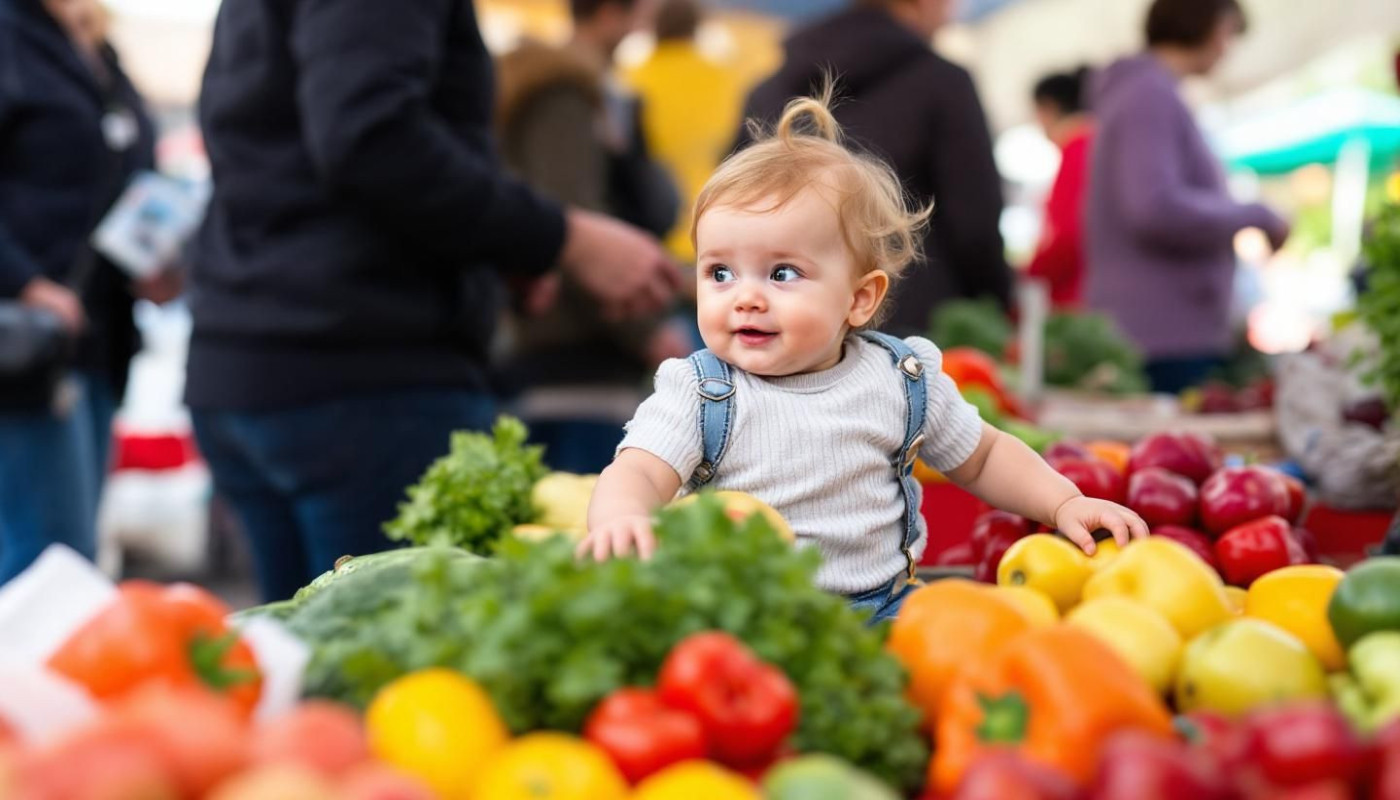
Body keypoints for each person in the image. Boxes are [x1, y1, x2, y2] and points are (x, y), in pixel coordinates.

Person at [579, 91, 1148, 622]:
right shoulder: (700, 391)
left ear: (859, 298)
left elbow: (984, 457)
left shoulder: (900, 379)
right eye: (720, 273)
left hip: (885, 609)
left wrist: (1063, 503)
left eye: (782, 273)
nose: (745, 297)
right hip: (748, 619)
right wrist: (622, 516)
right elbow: (639, 471)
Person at [190, 0, 682, 601]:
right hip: (363, 381)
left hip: (257, 360)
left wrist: (498, 250)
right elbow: (370, 138)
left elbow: (304, 141)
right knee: (392, 651)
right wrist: (563, 237)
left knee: (301, 652)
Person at [0, 0, 171, 582]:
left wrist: (152, 262)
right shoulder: (12, 35)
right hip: (26, 348)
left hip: (98, 338)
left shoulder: (98, 49)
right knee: (50, 564)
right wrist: (24, 283)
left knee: (70, 556)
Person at [735, 0, 1012, 336]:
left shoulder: (770, 90)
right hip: (915, 329)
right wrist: (998, 303)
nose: (954, 11)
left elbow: (736, 204)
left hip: (787, 324)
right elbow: (975, 222)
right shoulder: (943, 83)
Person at [495, 0, 692, 474]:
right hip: (576, 352)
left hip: (569, 345)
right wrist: (645, 329)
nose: (647, 20)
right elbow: (573, 214)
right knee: (588, 507)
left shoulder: (584, 90)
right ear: (609, 12)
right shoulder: (563, 92)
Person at [1086, 0, 1289, 394]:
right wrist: (1255, 215)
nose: (1228, 47)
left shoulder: (1147, 90)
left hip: (1159, 329)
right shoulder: (1149, 94)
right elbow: (1153, 206)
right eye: (1229, 31)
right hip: (1163, 336)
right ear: (1206, 23)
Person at [623, 0, 743, 263]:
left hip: (650, 224)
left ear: (653, 26)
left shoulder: (632, 77)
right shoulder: (722, 77)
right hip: (711, 219)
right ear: (697, 26)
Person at [1026, 67, 1094, 309]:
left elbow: (1068, 235)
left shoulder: (1079, 148)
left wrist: (1030, 272)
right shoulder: (1091, 145)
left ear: (1049, 106)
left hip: (1077, 297)